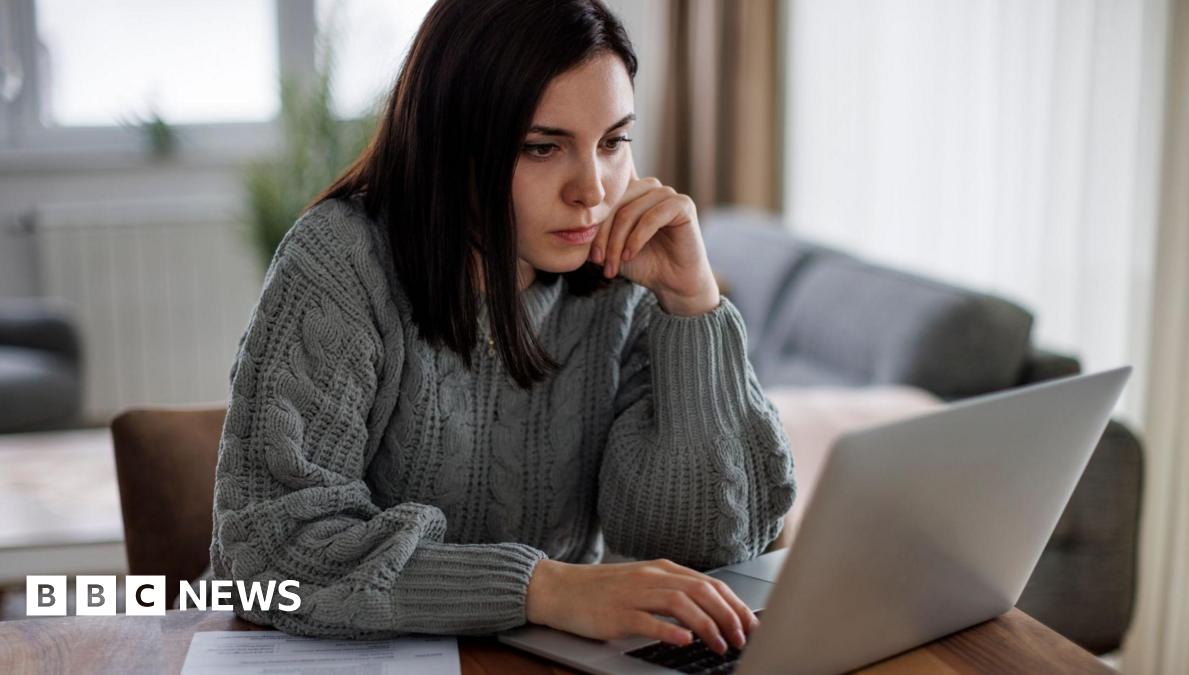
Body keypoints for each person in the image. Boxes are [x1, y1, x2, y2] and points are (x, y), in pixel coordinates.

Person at [209, 0, 796, 656]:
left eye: (613, 142)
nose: (592, 190)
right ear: (451, 141)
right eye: (543, 147)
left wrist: (693, 306)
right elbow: (266, 554)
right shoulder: (341, 262)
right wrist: (543, 588)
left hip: (548, 659)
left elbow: (705, 547)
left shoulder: (621, 286)